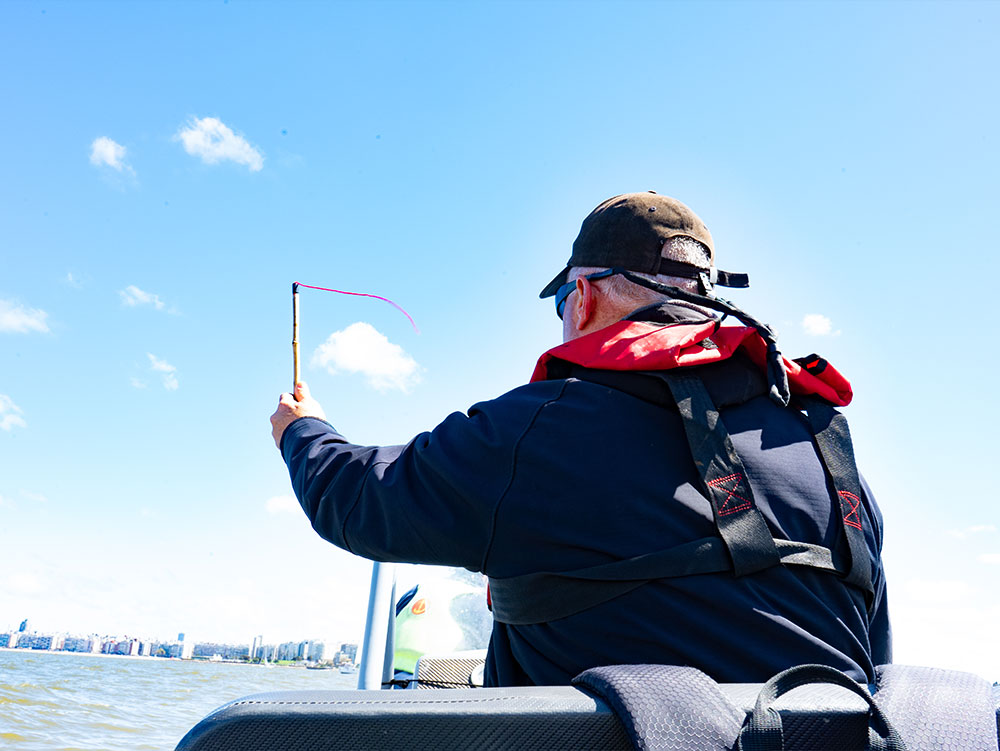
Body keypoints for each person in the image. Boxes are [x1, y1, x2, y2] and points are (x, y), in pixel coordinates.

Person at [270, 192, 890, 688]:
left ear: (584, 296)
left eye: (562, 302)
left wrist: (302, 429)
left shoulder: (541, 432)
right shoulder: (834, 455)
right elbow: (874, 656)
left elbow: (357, 501)